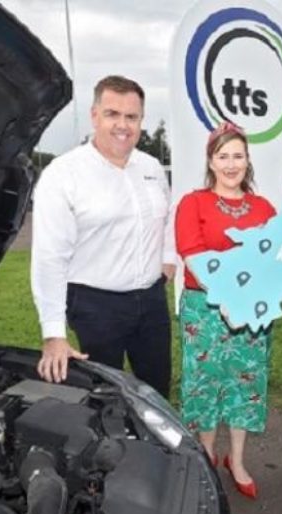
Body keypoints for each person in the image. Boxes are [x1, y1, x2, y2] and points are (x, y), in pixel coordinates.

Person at [31, 76, 176, 396]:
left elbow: (167, 218)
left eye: (131, 117)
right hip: (96, 306)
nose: (122, 125)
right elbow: (49, 258)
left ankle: (154, 448)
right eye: (113, 114)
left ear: (141, 120)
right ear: (95, 115)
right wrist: (53, 334)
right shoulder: (64, 174)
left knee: (157, 394)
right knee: (104, 398)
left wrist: (168, 257)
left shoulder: (151, 166)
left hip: (151, 302)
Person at [175, 122, 276, 500]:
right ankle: (204, 456)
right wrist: (228, 295)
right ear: (211, 161)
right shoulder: (193, 203)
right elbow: (193, 254)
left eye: (238, 155)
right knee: (204, 383)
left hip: (251, 310)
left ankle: (237, 459)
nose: (231, 164)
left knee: (244, 385)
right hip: (206, 310)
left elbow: (273, 260)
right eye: (223, 156)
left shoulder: (264, 207)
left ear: (248, 160)